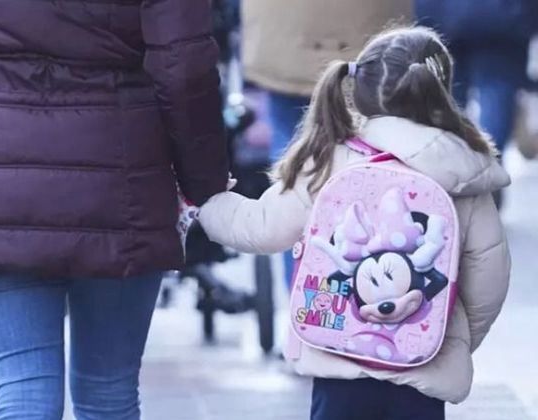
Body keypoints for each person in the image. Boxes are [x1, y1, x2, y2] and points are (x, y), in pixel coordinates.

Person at [0, 0, 228, 419]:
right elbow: (184, 68)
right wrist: (207, 183)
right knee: (108, 394)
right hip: (121, 179)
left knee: (22, 390)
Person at [199, 27, 511, 419]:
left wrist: (206, 203)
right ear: (441, 90)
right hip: (421, 368)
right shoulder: (462, 173)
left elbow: (259, 226)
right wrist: (447, 337)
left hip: (337, 359)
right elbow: (489, 280)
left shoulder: (330, 160)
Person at [240, 0, 412, 287]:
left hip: (282, 31)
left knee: (292, 163)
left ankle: (301, 289)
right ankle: (376, 285)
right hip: (370, 32)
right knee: (375, 164)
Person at [415, 0, 538, 153]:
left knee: (450, 92)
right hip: (502, 17)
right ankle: (489, 160)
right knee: (495, 89)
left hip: (443, 15)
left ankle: (447, 157)